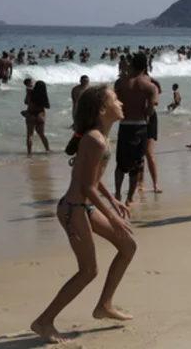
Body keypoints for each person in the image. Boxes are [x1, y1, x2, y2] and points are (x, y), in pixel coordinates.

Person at [30, 85, 135, 344]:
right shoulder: (95, 139)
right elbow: (87, 186)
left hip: (84, 208)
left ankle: (104, 305)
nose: (120, 102)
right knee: (88, 271)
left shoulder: (101, 137)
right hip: (73, 210)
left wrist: (112, 200)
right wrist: (112, 215)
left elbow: (93, 179)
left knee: (128, 245)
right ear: (102, 110)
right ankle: (43, 321)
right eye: (115, 99)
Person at [113, 53, 158, 205]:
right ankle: (130, 198)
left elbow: (115, 104)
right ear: (145, 66)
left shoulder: (120, 83)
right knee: (137, 165)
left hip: (124, 126)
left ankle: (118, 193)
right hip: (140, 126)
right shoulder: (149, 87)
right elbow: (151, 111)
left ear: (131, 64)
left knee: (120, 164)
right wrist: (144, 112)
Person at [139, 72, 162, 194]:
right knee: (140, 154)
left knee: (149, 153)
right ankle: (141, 183)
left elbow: (155, 101)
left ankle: (155, 184)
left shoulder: (152, 83)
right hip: (138, 118)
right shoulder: (135, 83)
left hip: (150, 117)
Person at [21, 80, 51, 155]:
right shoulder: (43, 95)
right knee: (42, 134)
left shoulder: (30, 92)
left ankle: (29, 153)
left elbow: (26, 102)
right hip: (40, 114)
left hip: (31, 114)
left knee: (30, 135)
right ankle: (47, 150)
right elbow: (47, 106)